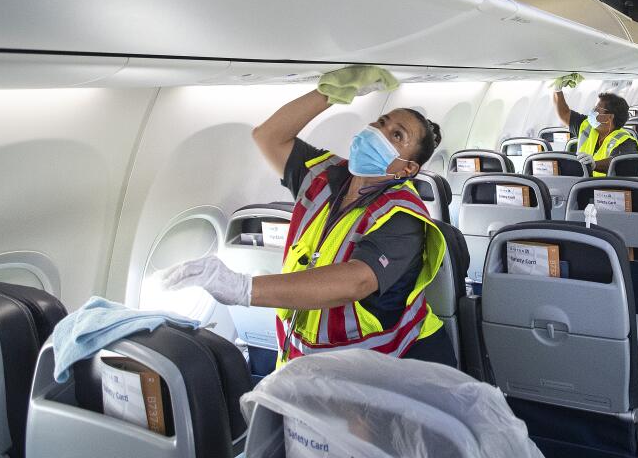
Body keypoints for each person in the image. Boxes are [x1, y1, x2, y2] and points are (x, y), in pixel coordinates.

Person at [159, 65, 456, 368]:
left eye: (396, 135)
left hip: (379, 366)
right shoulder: (324, 174)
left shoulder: (403, 215)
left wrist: (243, 288)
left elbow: (357, 281)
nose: (378, 132)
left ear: (408, 169)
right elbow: (268, 136)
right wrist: (330, 93)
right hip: (304, 359)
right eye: (381, 122)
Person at [550, 75, 638, 177]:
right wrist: (557, 90)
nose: (592, 111)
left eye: (597, 109)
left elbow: (620, 163)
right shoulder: (587, 125)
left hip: (606, 188)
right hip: (581, 185)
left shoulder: (625, 141)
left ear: (609, 117)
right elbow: (564, 114)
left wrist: (594, 164)